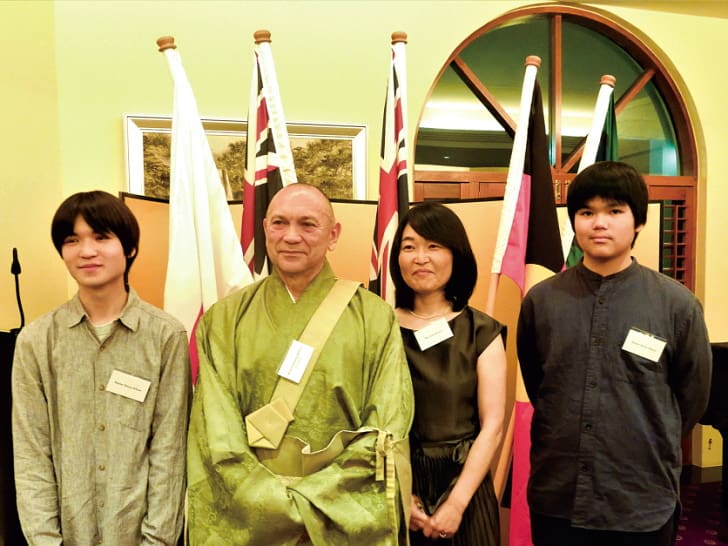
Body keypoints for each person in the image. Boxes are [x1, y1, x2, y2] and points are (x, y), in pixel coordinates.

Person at [186, 183, 414, 545]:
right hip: (251, 518)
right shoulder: (224, 320)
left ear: (333, 235)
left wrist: (312, 500)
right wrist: (270, 501)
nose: (291, 236)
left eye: (308, 224)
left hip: (339, 514)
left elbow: (386, 423)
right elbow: (215, 430)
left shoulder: (374, 317)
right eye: (280, 223)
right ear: (264, 229)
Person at [517, 161, 712, 546]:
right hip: (558, 497)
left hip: (639, 500)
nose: (598, 223)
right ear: (574, 221)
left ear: (638, 221)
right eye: (586, 212)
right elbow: (539, 383)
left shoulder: (677, 305)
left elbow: (692, 399)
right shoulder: (542, 301)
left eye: (614, 211)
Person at [12, 190, 191, 545]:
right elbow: (31, 453)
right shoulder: (36, 341)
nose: (87, 251)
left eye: (101, 237)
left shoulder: (165, 336)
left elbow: (169, 453)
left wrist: (157, 541)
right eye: (72, 240)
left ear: (130, 248)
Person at [390, 201, 507, 545]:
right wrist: (400, 490)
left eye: (433, 246)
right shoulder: (378, 326)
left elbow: (493, 426)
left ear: (456, 255)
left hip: (465, 482)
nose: (420, 258)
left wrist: (456, 503)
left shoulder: (481, 331)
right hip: (395, 476)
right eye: (409, 247)